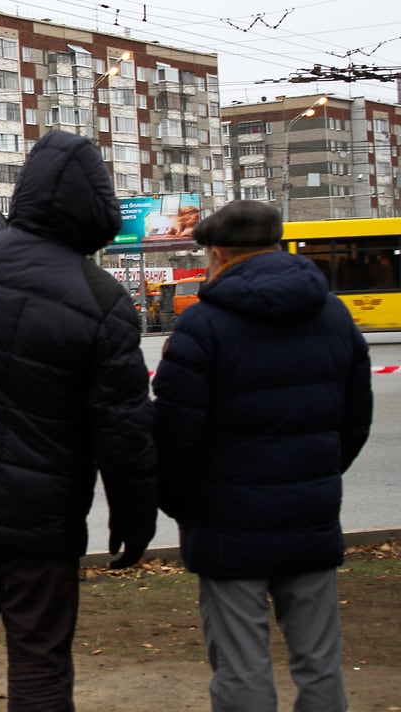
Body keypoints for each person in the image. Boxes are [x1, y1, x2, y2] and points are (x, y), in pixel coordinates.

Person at [0, 128, 157, 711]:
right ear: (96, 210)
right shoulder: (103, 303)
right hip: (40, 518)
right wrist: (135, 515)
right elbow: (124, 431)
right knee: (40, 661)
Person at [153, 200, 372, 712]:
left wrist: (184, 504)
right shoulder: (335, 315)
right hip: (311, 516)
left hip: (227, 525)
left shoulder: (202, 325)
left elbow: (175, 434)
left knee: (240, 668)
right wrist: (314, 474)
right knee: (321, 665)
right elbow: (354, 421)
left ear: (221, 254)